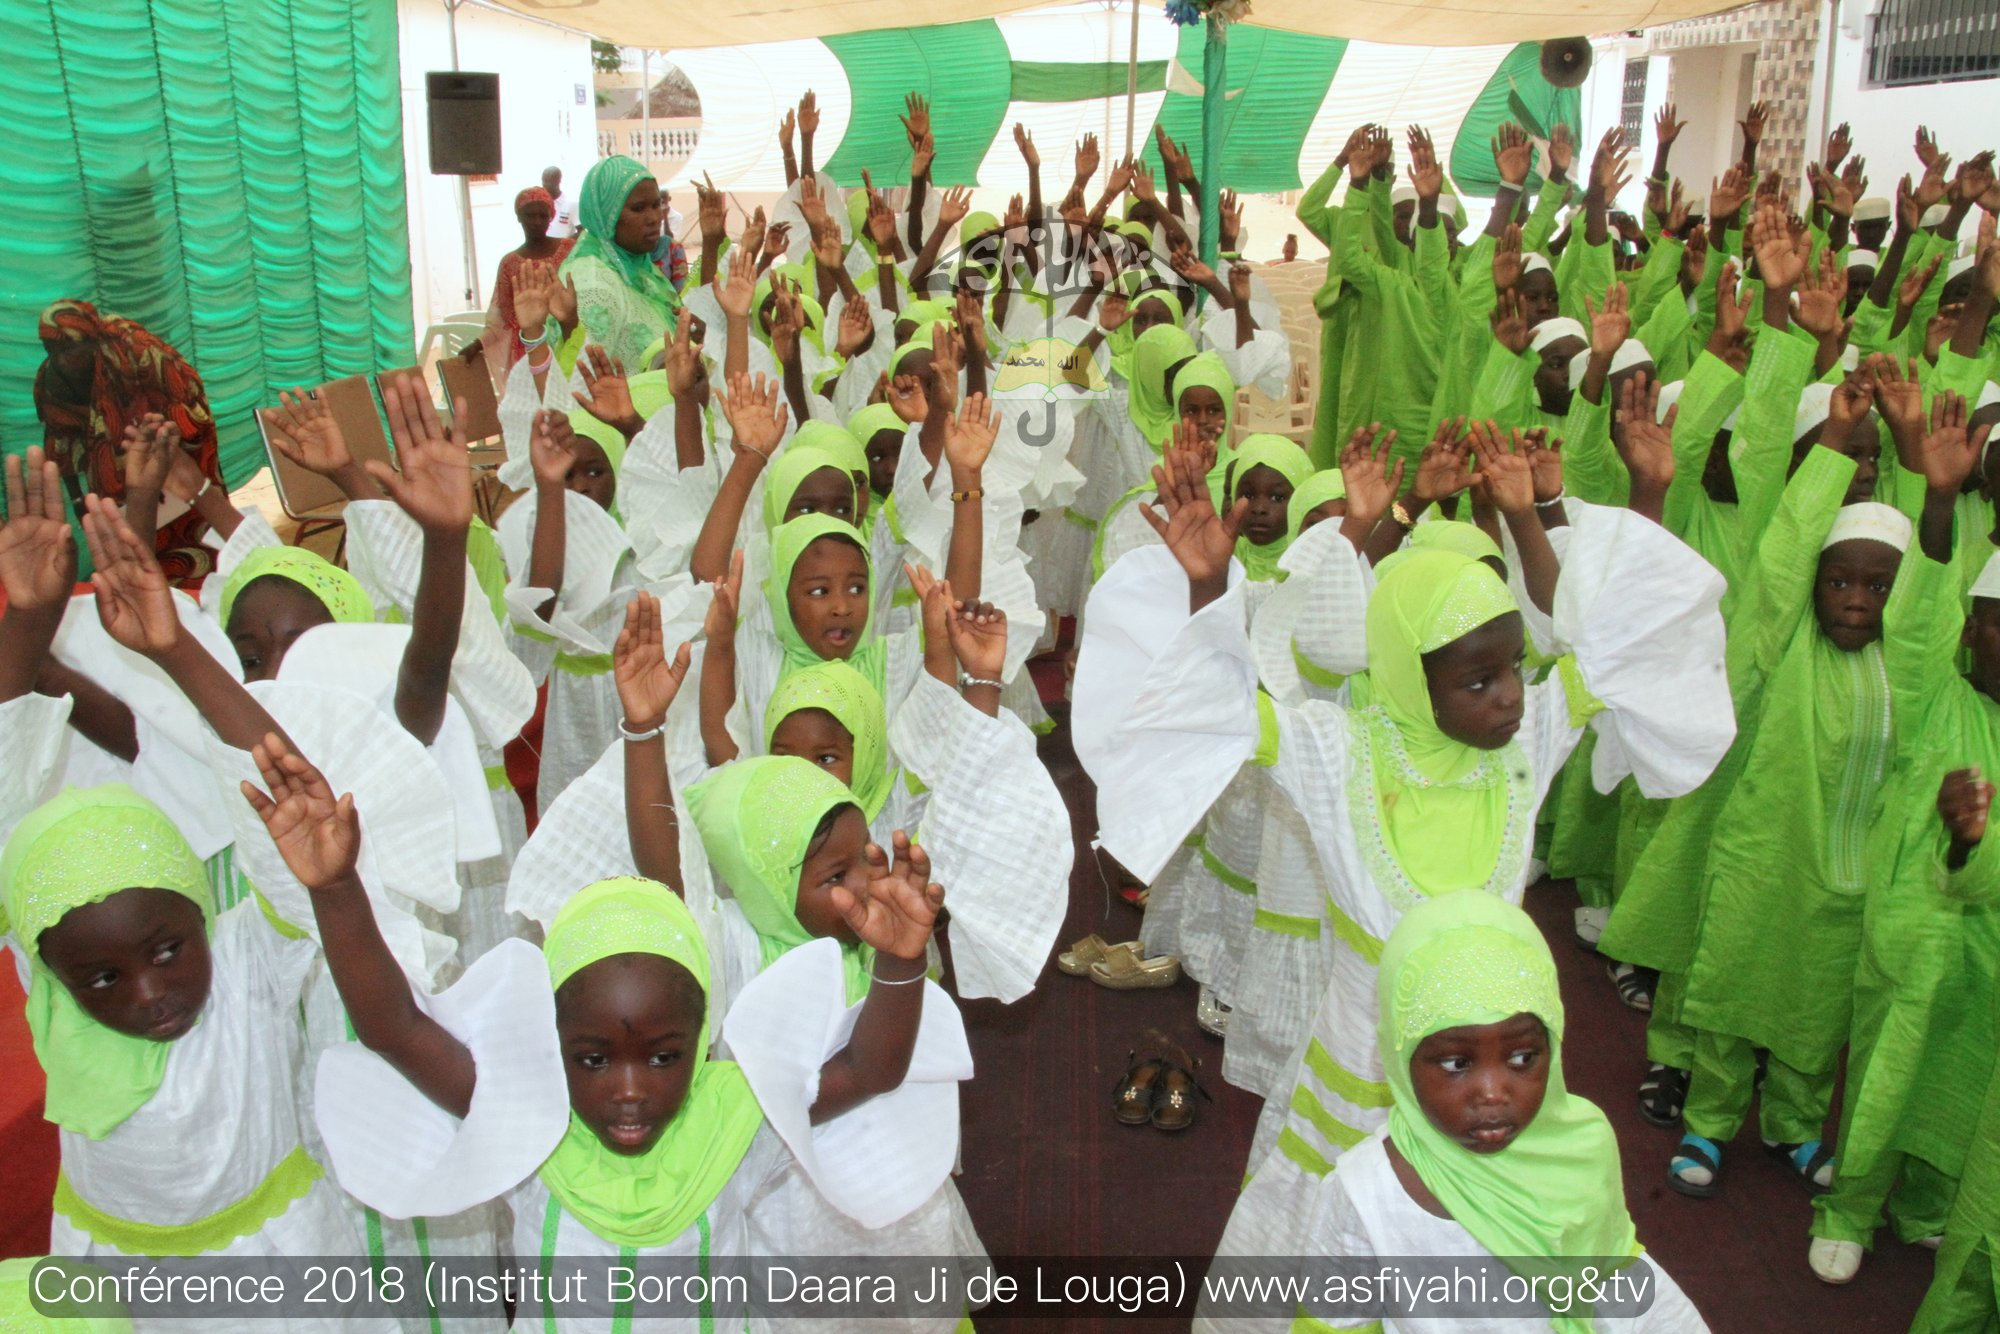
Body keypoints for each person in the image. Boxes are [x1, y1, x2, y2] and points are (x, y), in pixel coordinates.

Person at [1199, 891, 1708, 1332]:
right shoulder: (1364, 1192)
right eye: (1456, 1062)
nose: (1492, 1092)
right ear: (1399, 1061)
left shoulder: (1582, 1149)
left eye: (1522, 1057)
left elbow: (1622, 1287)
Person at [31, 300, 230, 583]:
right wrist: (78, 501)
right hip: (112, 479)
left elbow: (189, 401)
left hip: (173, 460)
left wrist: (169, 457)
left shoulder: (134, 349)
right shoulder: (52, 380)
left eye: (70, 348)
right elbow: (59, 442)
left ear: (92, 340)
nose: (61, 359)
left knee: (197, 551)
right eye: (52, 349)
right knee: (135, 558)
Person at [552, 155, 679, 373]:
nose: (653, 218)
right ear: (606, 215)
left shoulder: (637, 267)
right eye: (638, 209)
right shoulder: (591, 283)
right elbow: (581, 381)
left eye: (656, 204)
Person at [484, 186, 575, 372]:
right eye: (530, 215)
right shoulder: (509, 263)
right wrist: (479, 344)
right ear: (518, 216)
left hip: (568, 336)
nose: (537, 221)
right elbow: (502, 317)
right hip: (527, 348)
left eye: (543, 215)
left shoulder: (570, 249)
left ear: (551, 216)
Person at [542, 164, 576, 239]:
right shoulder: (541, 204)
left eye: (548, 181)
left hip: (565, 249)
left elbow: (581, 232)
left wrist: (565, 244)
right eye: (543, 181)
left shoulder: (571, 204)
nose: (544, 185)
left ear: (558, 181)